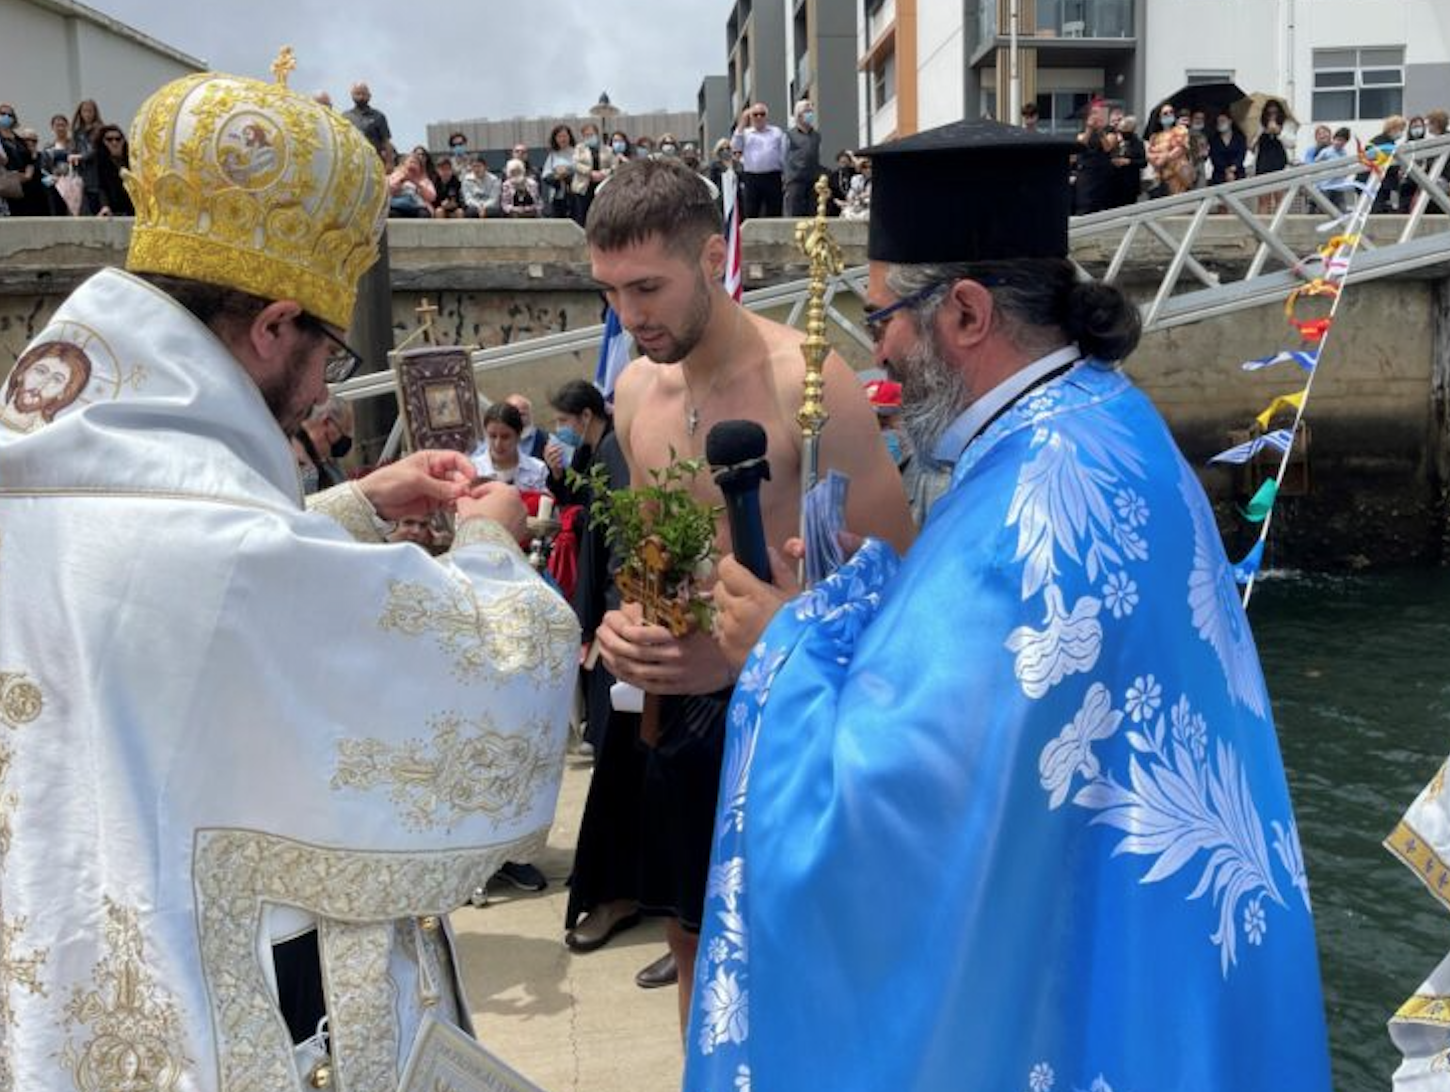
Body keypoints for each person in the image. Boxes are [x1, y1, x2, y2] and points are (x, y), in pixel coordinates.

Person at [689, 117, 1333, 1092]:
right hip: (1164, 964)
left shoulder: (1022, 506)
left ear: (965, 313)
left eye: (883, 316)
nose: (878, 352)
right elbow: (1005, 680)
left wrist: (780, 649)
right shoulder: (1107, 418)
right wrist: (876, 600)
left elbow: (890, 798)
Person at [0, 62, 578, 1090]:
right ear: (273, 326)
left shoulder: (54, 458)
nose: (322, 383)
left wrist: (353, 506)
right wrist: (494, 547)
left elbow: (161, 588)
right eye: (326, 348)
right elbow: (492, 685)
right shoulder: (217, 543)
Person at [587, 157, 915, 1032]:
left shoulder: (806, 380)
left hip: (787, 717)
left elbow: (897, 579)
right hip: (676, 722)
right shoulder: (633, 391)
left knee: (790, 960)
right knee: (691, 945)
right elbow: (654, 558)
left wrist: (760, 649)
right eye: (611, 292)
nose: (629, 315)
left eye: (647, 288)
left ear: (710, 260)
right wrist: (628, 627)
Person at [552, 380, 649, 956]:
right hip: (626, 622)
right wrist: (587, 620)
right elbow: (603, 540)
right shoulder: (614, 448)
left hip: (679, 627)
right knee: (619, 761)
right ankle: (616, 891)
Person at [469, 400, 550, 491]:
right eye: (492, 436)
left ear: (518, 436)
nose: (498, 444)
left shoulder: (537, 469)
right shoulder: (473, 469)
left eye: (505, 437)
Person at [732, 102, 788, 219]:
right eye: (755, 114)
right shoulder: (745, 133)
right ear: (750, 117)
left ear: (766, 116)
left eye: (762, 114)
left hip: (773, 176)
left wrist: (785, 175)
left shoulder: (776, 132)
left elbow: (783, 154)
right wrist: (742, 123)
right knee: (751, 212)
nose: (759, 117)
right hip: (752, 177)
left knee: (774, 212)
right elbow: (735, 147)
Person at [294, 393, 354, 493]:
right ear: (327, 423)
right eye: (343, 431)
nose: (344, 439)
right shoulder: (296, 461)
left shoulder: (329, 464)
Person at [1073, 100, 1118, 214]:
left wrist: (1100, 131)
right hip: (1087, 171)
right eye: (1094, 113)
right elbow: (1081, 145)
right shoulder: (1083, 130)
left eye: (1099, 113)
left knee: (1102, 203)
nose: (1096, 116)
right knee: (1086, 202)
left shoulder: (1109, 130)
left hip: (1103, 170)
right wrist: (1089, 129)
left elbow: (1108, 147)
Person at [783, 99, 823, 217]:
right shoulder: (789, 135)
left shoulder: (816, 136)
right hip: (795, 181)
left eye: (811, 111)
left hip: (813, 180)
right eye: (807, 111)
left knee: (812, 213)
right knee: (794, 214)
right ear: (799, 115)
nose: (810, 114)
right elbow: (783, 157)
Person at [1147, 103, 1195, 197]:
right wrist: (1157, 161)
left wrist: (1165, 157)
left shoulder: (1180, 130)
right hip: (1162, 177)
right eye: (1165, 113)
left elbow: (1181, 148)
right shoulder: (1155, 137)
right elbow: (1150, 155)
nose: (1169, 115)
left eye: (1171, 112)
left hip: (1179, 175)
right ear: (1159, 119)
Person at [85, 124, 133, 217]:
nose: (114, 143)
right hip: (109, 211)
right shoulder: (97, 161)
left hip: (131, 209)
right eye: (109, 139)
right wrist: (105, 206)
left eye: (118, 139)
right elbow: (100, 186)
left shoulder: (131, 160)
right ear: (102, 142)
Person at [343, 80, 391, 158]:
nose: (361, 97)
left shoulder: (379, 116)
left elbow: (386, 142)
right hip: (352, 159)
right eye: (358, 94)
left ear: (369, 96)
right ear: (352, 95)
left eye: (364, 94)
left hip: (374, 160)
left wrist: (389, 162)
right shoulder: (345, 117)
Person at [505, 392, 552, 461]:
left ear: (530, 415)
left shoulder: (547, 440)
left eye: (522, 414)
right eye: (512, 414)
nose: (518, 419)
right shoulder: (494, 442)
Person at [543, 124, 577, 219]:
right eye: (559, 136)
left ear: (569, 137)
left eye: (565, 136)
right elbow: (545, 175)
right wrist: (557, 176)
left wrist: (567, 172)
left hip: (574, 195)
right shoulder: (553, 155)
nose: (562, 139)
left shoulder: (577, 152)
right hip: (557, 196)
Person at [1112, 114, 1146, 208]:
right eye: (1121, 129)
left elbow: (1143, 162)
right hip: (1115, 182)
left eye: (1125, 129)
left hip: (1130, 183)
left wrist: (1129, 161)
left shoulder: (1138, 143)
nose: (1122, 132)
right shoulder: (1115, 140)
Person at [388, 152, 436, 217]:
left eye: (415, 163)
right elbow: (388, 191)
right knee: (392, 213)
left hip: (418, 207)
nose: (413, 165)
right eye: (411, 162)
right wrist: (401, 180)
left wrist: (417, 183)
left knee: (424, 214)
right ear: (404, 165)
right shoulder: (395, 176)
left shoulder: (425, 180)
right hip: (398, 206)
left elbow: (432, 197)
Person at [1208, 110, 1247, 186]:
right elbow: (1214, 157)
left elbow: (1241, 154)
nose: (1220, 123)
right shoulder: (1214, 140)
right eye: (1218, 122)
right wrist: (1226, 170)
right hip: (1219, 176)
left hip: (1238, 173)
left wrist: (1234, 167)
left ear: (1230, 121)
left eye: (1222, 121)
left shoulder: (1239, 138)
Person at [463, 153, 502, 218]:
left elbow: (494, 199)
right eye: (474, 166)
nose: (476, 169)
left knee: (495, 212)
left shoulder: (494, 179)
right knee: (469, 212)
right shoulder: (466, 179)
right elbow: (468, 199)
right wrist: (479, 207)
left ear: (485, 167)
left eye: (479, 166)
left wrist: (484, 207)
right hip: (474, 207)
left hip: (490, 207)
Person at [432, 154, 465, 218]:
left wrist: (454, 204)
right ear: (437, 170)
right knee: (439, 211)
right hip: (440, 208)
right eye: (442, 169)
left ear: (451, 170)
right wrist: (441, 204)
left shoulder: (456, 182)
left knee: (460, 212)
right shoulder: (434, 182)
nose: (445, 172)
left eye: (448, 169)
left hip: (454, 209)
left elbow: (461, 201)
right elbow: (433, 201)